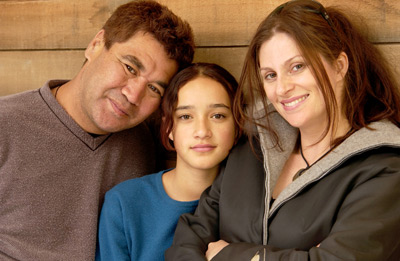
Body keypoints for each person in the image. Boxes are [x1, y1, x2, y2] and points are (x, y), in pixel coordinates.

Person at [165, 0, 400, 260]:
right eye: (270, 75)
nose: (282, 88)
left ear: (339, 66)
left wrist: (231, 255)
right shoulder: (251, 149)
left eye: (297, 66)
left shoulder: (384, 168)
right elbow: (190, 237)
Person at [0, 1, 194, 260]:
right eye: (130, 67)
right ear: (96, 45)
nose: (133, 94)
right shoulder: (6, 124)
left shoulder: (140, 143)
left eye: (154, 89)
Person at [95, 63, 240, 260]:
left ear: (237, 125)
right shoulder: (124, 204)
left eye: (217, 115)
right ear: (169, 127)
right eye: (186, 116)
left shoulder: (251, 205)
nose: (202, 131)